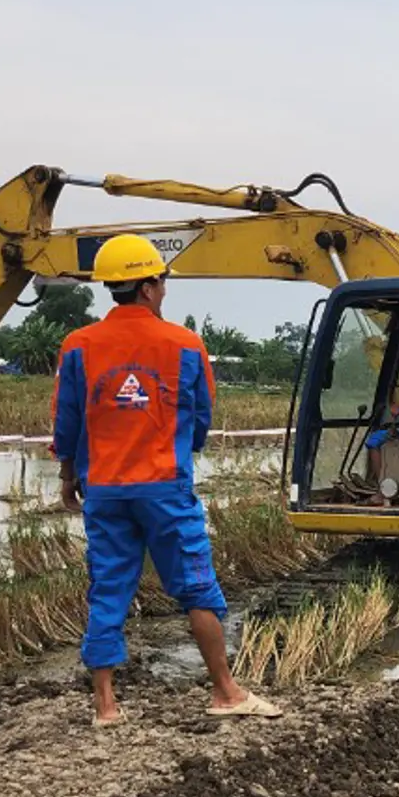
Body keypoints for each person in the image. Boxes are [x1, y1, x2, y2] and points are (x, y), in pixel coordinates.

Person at [52, 234, 280, 726]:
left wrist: (70, 475)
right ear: (151, 285)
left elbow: (67, 421)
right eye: (162, 281)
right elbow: (199, 416)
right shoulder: (184, 343)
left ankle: (106, 705)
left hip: (104, 491)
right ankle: (225, 691)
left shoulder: (78, 346)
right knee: (196, 587)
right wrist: (179, 449)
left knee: (108, 587)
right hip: (165, 486)